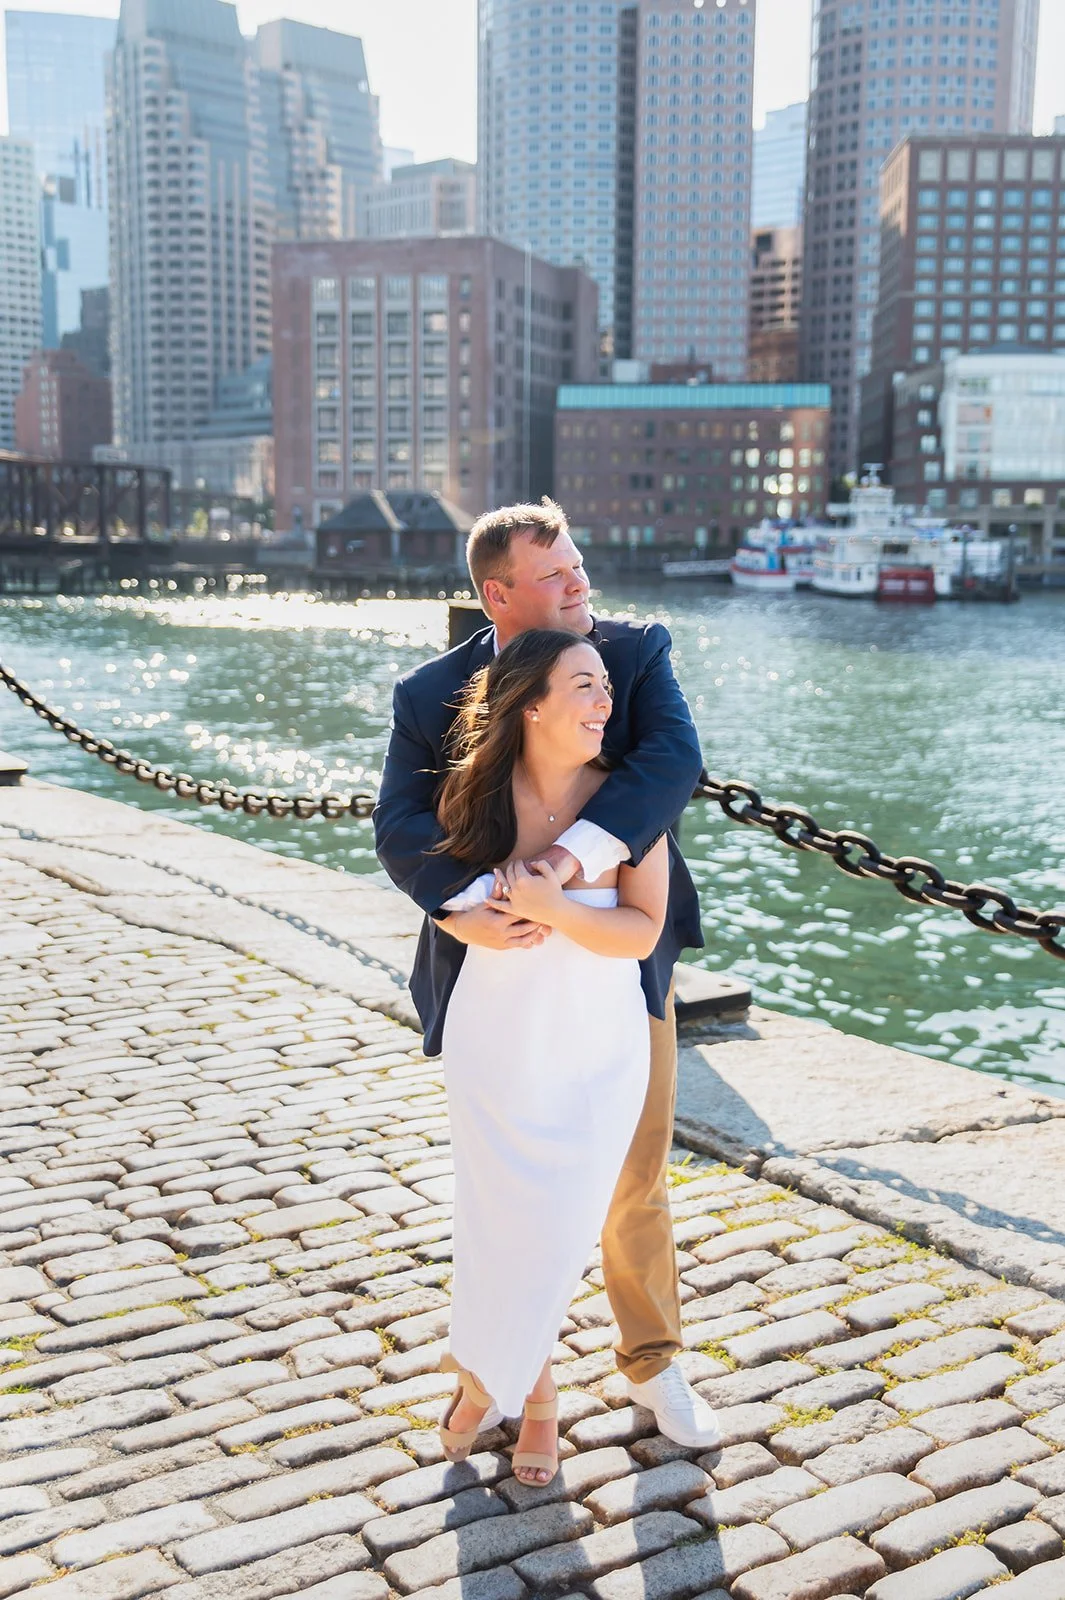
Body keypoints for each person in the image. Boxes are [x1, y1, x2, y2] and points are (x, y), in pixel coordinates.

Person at [374, 498, 720, 1478]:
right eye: (558, 575)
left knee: (632, 1176)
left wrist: (563, 872)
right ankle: (511, 1374)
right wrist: (463, 906)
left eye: (577, 563)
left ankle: (655, 1362)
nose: (581, 584)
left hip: (618, 961)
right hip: (495, 975)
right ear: (500, 594)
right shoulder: (428, 692)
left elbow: (669, 766)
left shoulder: (635, 655)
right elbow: (401, 826)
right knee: (502, 1194)